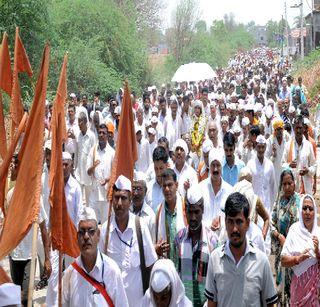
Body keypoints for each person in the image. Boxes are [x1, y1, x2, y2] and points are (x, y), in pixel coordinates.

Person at [205, 192, 278, 306]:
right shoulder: (215, 259)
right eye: (230, 221)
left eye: (239, 222)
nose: (234, 229)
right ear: (225, 222)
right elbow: (212, 303)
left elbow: (270, 303)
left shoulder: (261, 261)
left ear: (247, 223)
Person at [99, 175, 157, 307]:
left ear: (130, 200)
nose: (119, 203)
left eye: (123, 198)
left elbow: (151, 264)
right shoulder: (105, 231)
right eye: (116, 198)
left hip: (138, 302)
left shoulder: (140, 226)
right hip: (112, 301)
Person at [62, 207, 129, 306]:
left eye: (91, 231)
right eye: (82, 232)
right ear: (77, 237)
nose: (86, 236)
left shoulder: (111, 270)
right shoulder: (70, 273)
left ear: (98, 235)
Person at [175, 185, 218, 306]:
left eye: (197, 212)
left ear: (203, 210)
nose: (193, 217)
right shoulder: (179, 239)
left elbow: (216, 280)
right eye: (190, 212)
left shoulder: (213, 241)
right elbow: (174, 274)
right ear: (185, 211)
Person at [281, 194, 320, 306]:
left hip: (315, 290)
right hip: (298, 287)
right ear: (300, 210)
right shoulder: (294, 230)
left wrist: (317, 252)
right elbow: (283, 260)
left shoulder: (318, 233)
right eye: (304, 208)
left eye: (311, 209)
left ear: (315, 211)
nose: (307, 212)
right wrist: (298, 258)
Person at [270, 169, 300, 304]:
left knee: (293, 289)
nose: (287, 187)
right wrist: (278, 235)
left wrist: (287, 242)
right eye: (284, 184)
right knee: (281, 289)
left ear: (294, 183)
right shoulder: (279, 201)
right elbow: (271, 222)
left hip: (295, 252)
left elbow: (302, 228)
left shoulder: (299, 203)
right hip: (281, 251)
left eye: (290, 183)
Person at [155, 169, 187, 264]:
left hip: (184, 266)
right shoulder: (159, 211)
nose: (167, 189)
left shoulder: (186, 207)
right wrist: (157, 248)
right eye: (164, 186)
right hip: (166, 267)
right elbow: (155, 242)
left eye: (170, 185)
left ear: (176, 185)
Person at [87, 124, 115, 224]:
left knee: (105, 224)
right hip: (94, 194)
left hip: (106, 195)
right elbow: (88, 172)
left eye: (104, 133)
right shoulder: (93, 151)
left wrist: (107, 180)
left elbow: (114, 174)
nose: (101, 135)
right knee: (92, 222)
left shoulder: (112, 153)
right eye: (99, 133)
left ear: (107, 135)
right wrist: (93, 166)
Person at [199, 148, 232, 231]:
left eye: (218, 165)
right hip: (204, 238)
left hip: (222, 239)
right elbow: (196, 216)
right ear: (209, 166)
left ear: (222, 167)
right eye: (213, 165)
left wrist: (221, 224)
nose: (215, 169)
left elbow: (231, 219)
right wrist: (210, 225)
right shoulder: (200, 188)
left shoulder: (230, 191)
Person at [282, 115, 316, 195]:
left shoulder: (308, 145)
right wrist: (289, 166)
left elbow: (314, 166)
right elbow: (282, 164)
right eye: (296, 128)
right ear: (293, 128)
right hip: (292, 191)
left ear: (304, 128)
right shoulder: (288, 145)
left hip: (306, 189)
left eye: (300, 128)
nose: (298, 130)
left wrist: (308, 170)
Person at [75, 112, 95, 205]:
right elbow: (77, 153)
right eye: (78, 122)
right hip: (79, 171)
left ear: (86, 122)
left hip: (88, 173)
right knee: (79, 199)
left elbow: (94, 154)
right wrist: (74, 168)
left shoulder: (91, 136)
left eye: (81, 122)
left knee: (88, 201)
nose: (79, 124)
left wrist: (93, 170)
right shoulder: (78, 136)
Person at [131, 171, 156, 241]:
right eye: (133, 189)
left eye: (139, 189)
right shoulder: (126, 211)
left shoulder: (150, 216)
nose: (135, 193)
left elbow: (153, 243)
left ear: (145, 191)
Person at [146, 146, 168, 211]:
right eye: (156, 168)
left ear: (166, 166)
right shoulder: (148, 188)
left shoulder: (172, 189)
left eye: (161, 168)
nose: (158, 173)